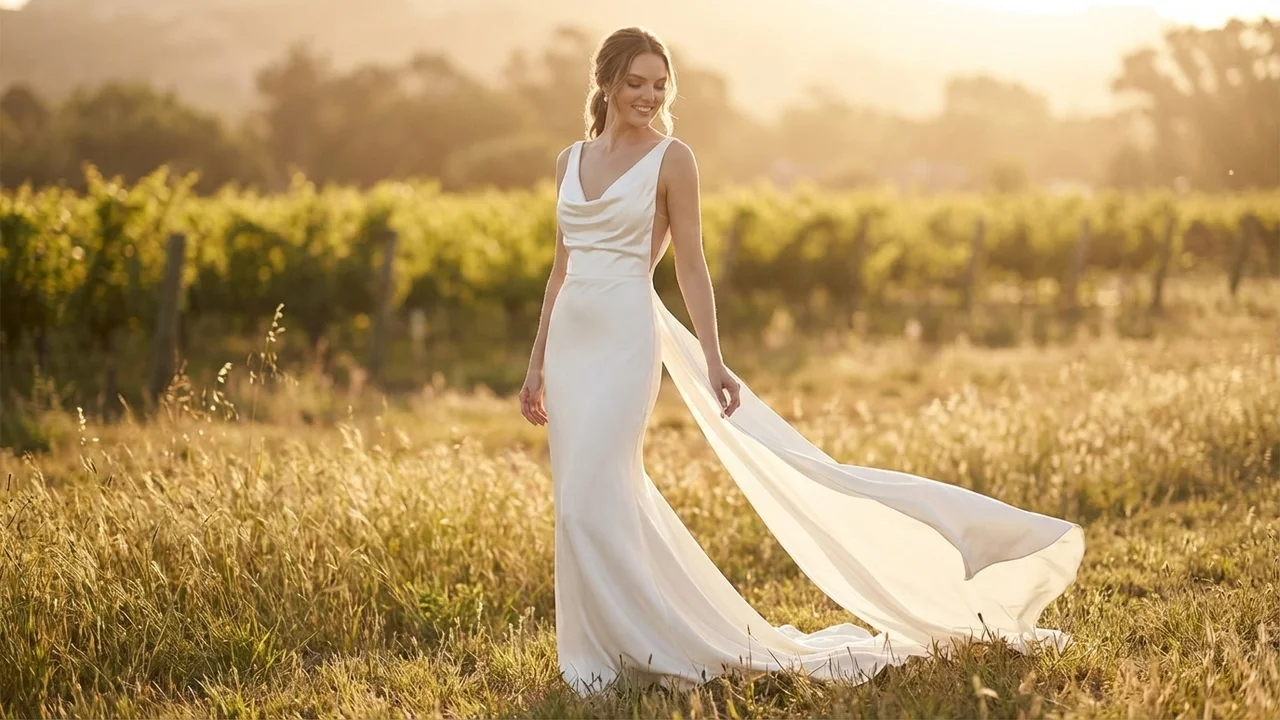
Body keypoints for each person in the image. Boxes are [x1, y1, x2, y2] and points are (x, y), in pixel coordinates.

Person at [518, 26, 1084, 697]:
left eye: (659, 84)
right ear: (607, 83)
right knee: (587, 500)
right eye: (635, 82)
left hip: (625, 340)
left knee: (593, 496)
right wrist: (536, 366)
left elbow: (692, 267)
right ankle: (608, 648)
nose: (648, 95)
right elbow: (560, 271)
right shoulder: (568, 161)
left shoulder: (674, 161)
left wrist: (715, 360)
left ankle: (647, 645)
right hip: (572, 344)